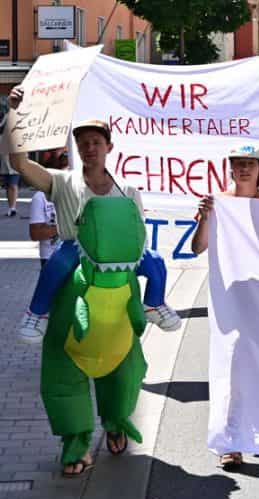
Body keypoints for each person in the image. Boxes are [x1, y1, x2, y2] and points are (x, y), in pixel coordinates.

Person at [5, 101, 177, 344]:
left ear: (109, 147)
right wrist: (15, 113)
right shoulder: (61, 182)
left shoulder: (127, 189)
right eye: (83, 143)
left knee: (156, 261)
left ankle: (154, 303)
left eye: (96, 142)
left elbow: (139, 231)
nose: (90, 147)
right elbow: (20, 163)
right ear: (76, 148)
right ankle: (37, 312)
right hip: (77, 250)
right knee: (58, 261)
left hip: (117, 253)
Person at [190, 143, 259, 470]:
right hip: (232, 298)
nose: (244, 168)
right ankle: (230, 442)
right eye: (238, 163)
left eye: (250, 163)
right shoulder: (219, 202)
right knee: (232, 367)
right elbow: (197, 247)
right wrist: (205, 218)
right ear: (230, 167)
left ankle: (255, 431)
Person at [28, 151, 66, 269]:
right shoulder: (40, 197)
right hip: (51, 257)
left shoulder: (81, 193)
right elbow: (35, 233)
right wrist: (68, 226)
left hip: (78, 257)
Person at [2, 151, 18, 217]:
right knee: (8, 186)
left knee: (12, 184)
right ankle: (11, 208)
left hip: (14, 161)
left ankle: (13, 208)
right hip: (4, 163)